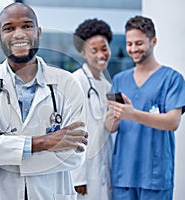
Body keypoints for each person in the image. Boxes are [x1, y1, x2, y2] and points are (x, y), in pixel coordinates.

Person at [0, 2, 89, 200]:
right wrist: (41, 143)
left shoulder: (66, 84)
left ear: (38, 32)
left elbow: (74, 155)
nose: (19, 34)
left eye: (27, 26)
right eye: (9, 28)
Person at [105, 15, 185, 200]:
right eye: (129, 44)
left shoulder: (172, 79)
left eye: (139, 43)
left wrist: (133, 114)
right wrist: (114, 118)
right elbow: (111, 127)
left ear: (153, 41)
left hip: (154, 175)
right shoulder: (120, 79)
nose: (133, 49)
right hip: (124, 175)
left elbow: (173, 122)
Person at [71, 18, 114, 200]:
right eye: (93, 50)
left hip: (104, 165)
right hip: (83, 173)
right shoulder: (76, 82)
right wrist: (77, 177)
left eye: (104, 48)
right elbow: (71, 131)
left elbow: (107, 128)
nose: (101, 55)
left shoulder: (108, 86)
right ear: (83, 52)